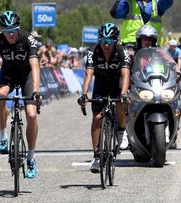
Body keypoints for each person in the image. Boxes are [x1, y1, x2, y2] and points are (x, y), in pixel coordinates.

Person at [0, 11, 41, 179]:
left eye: (14, 29)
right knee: (1, 95)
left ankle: (31, 158)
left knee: (31, 115)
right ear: (1, 30)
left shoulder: (27, 39)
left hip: (26, 77)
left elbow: (34, 65)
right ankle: (3, 136)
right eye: (6, 30)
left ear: (18, 28)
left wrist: (36, 91)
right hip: (8, 75)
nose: (10, 33)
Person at [78, 23, 131, 173]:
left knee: (120, 102)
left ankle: (121, 131)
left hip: (116, 84)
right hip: (100, 85)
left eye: (109, 41)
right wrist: (84, 94)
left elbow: (126, 75)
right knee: (96, 118)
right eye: (103, 41)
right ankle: (96, 156)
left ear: (116, 41)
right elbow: (88, 74)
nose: (106, 44)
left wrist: (124, 93)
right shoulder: (92, 52)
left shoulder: (122, 52)